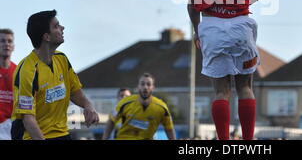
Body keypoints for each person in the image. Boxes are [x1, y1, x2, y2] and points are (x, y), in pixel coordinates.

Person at [184, 0, 263, 140]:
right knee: (245, 87)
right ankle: (248, 142)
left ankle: (223, 142)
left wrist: (196, 31)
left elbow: (192, 5)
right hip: (241, 25)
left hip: (211, 26)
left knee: (221, 91)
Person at [11, 10, 99, 140]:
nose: (63, 28)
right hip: (31, 135)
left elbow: (75, 92)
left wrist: (88, 105)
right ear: (46, 37)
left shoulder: (62, 59)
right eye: (57, 26)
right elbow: (28, 119)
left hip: (61, 133)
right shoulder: (27, 71)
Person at [102, 73, 176, 140]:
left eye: (148, 84)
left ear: (153, 87)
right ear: (138, 87)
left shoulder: (161, 108)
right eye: (142, 84)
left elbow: (169, 128)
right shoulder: (125, 103)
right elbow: (111, 120)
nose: (145, 87)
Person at [0, 29, 17, 140]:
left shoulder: (18, 71)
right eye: (2, 41)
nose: (6, 44)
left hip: (12, 127)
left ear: (13, 46)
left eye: (9, 41)